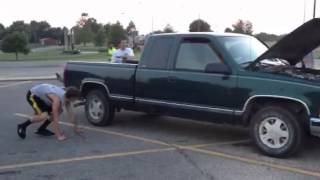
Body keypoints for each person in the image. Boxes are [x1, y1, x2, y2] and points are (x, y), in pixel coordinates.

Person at [17, 84, 81, 141]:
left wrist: (76, 128)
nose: (76, 100)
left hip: (44, 96)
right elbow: (56, 118)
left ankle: (42, 129)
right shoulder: (57, 100)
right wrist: (59, 135)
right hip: (32, 95)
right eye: (76, 99)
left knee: (60, 110)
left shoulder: (66, 98)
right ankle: (22, 126)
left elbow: (71, 114)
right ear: (72, 97)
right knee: (43, 116)